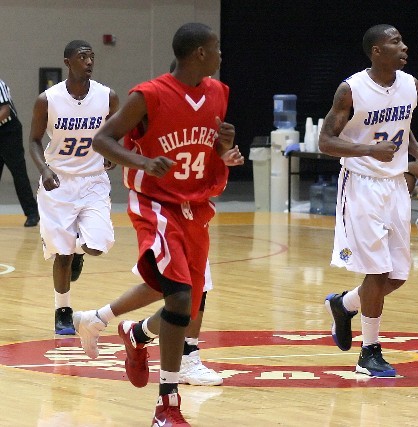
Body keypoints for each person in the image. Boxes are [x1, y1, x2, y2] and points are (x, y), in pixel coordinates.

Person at [91, 23, 234, 425]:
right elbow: (102, 140)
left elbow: (206, 151)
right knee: (181, 300)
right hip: (155, 205)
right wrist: (142, 161)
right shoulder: (148, 95)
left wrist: (224, 148)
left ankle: (136, 334)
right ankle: (167, 406)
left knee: (182, 305)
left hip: (195, 207)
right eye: (216, 48)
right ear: (200, 53)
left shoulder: (218, 94)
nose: (220, 54)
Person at [319, 24, 418, 377]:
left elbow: (404, 128)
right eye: (395, 42)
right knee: (377, 270)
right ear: (376, 51)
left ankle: (344, 304)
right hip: (361, 184)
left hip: (395, 185)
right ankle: (369, 353)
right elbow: (325, 142)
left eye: (402, 40)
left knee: (397, 276)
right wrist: (370, 150)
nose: (404, 47)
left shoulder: (411, 84)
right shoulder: (351, 89)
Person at [73, 147, 243, 386]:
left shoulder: (200, 130)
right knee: (183, 288)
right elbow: (109, 138)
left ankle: (121, 327)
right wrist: (136, 161)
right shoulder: (153, 128)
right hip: (162, 204)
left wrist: (219, 158)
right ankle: (185, 357)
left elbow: (202, 152)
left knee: (175, 288)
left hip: (191, 203)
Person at [29, 40, 118, 335]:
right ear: (68, 62)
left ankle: (76, 248)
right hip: (59, 182)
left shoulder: (107, 96)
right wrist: (44, 170)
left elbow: (115, 133)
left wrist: (112, 152)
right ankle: (63, 311)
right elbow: (34, 140)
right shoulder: (48, 99)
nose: (89, 62)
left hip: (93, 180)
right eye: (82, 57)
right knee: (62, 255)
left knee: (96, 246)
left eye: (92, 57)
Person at [0, 78, 39, 227]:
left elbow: (5, 111)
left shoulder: (0, 84)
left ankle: (32, 213)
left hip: (8, 131)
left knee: (19, 173)